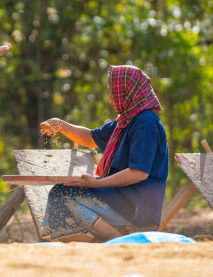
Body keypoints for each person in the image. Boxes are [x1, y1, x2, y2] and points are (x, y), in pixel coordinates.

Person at [39, 65, 168, 242]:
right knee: (60, 192)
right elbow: (91, 138)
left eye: (112, 93)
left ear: (127, 93)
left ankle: (118, 241)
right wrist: (61, 125)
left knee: (62, 194)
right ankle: (91, 240)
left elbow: (138, 173)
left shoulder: (145, 123)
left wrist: (96, 184)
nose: (109, 98)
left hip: (137, 207)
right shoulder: (125, 121)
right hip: (120, 198)